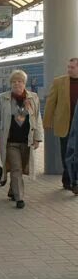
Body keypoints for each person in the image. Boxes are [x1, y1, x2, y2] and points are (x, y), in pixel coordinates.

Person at [0, 70, 43, 209]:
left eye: (20, 81)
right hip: (10, 141)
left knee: (22, 168)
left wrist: (38, 138)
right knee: (16, 168)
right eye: (14, 81)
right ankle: (20, 198)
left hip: (27, 140)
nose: (17, 84)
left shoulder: (33, 97)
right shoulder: (3, 98)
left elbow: (37, 118)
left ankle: (13, 190)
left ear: (25, 83)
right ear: (10, 83)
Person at [43, 58, 78, 190]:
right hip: (65, 124)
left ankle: (73, 181)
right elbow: (51, 103)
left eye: (72, 67)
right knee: (66, 153)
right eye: (68, 67)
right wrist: (47, 121)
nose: (69, 69)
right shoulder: (59, 82)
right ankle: (68, 178)